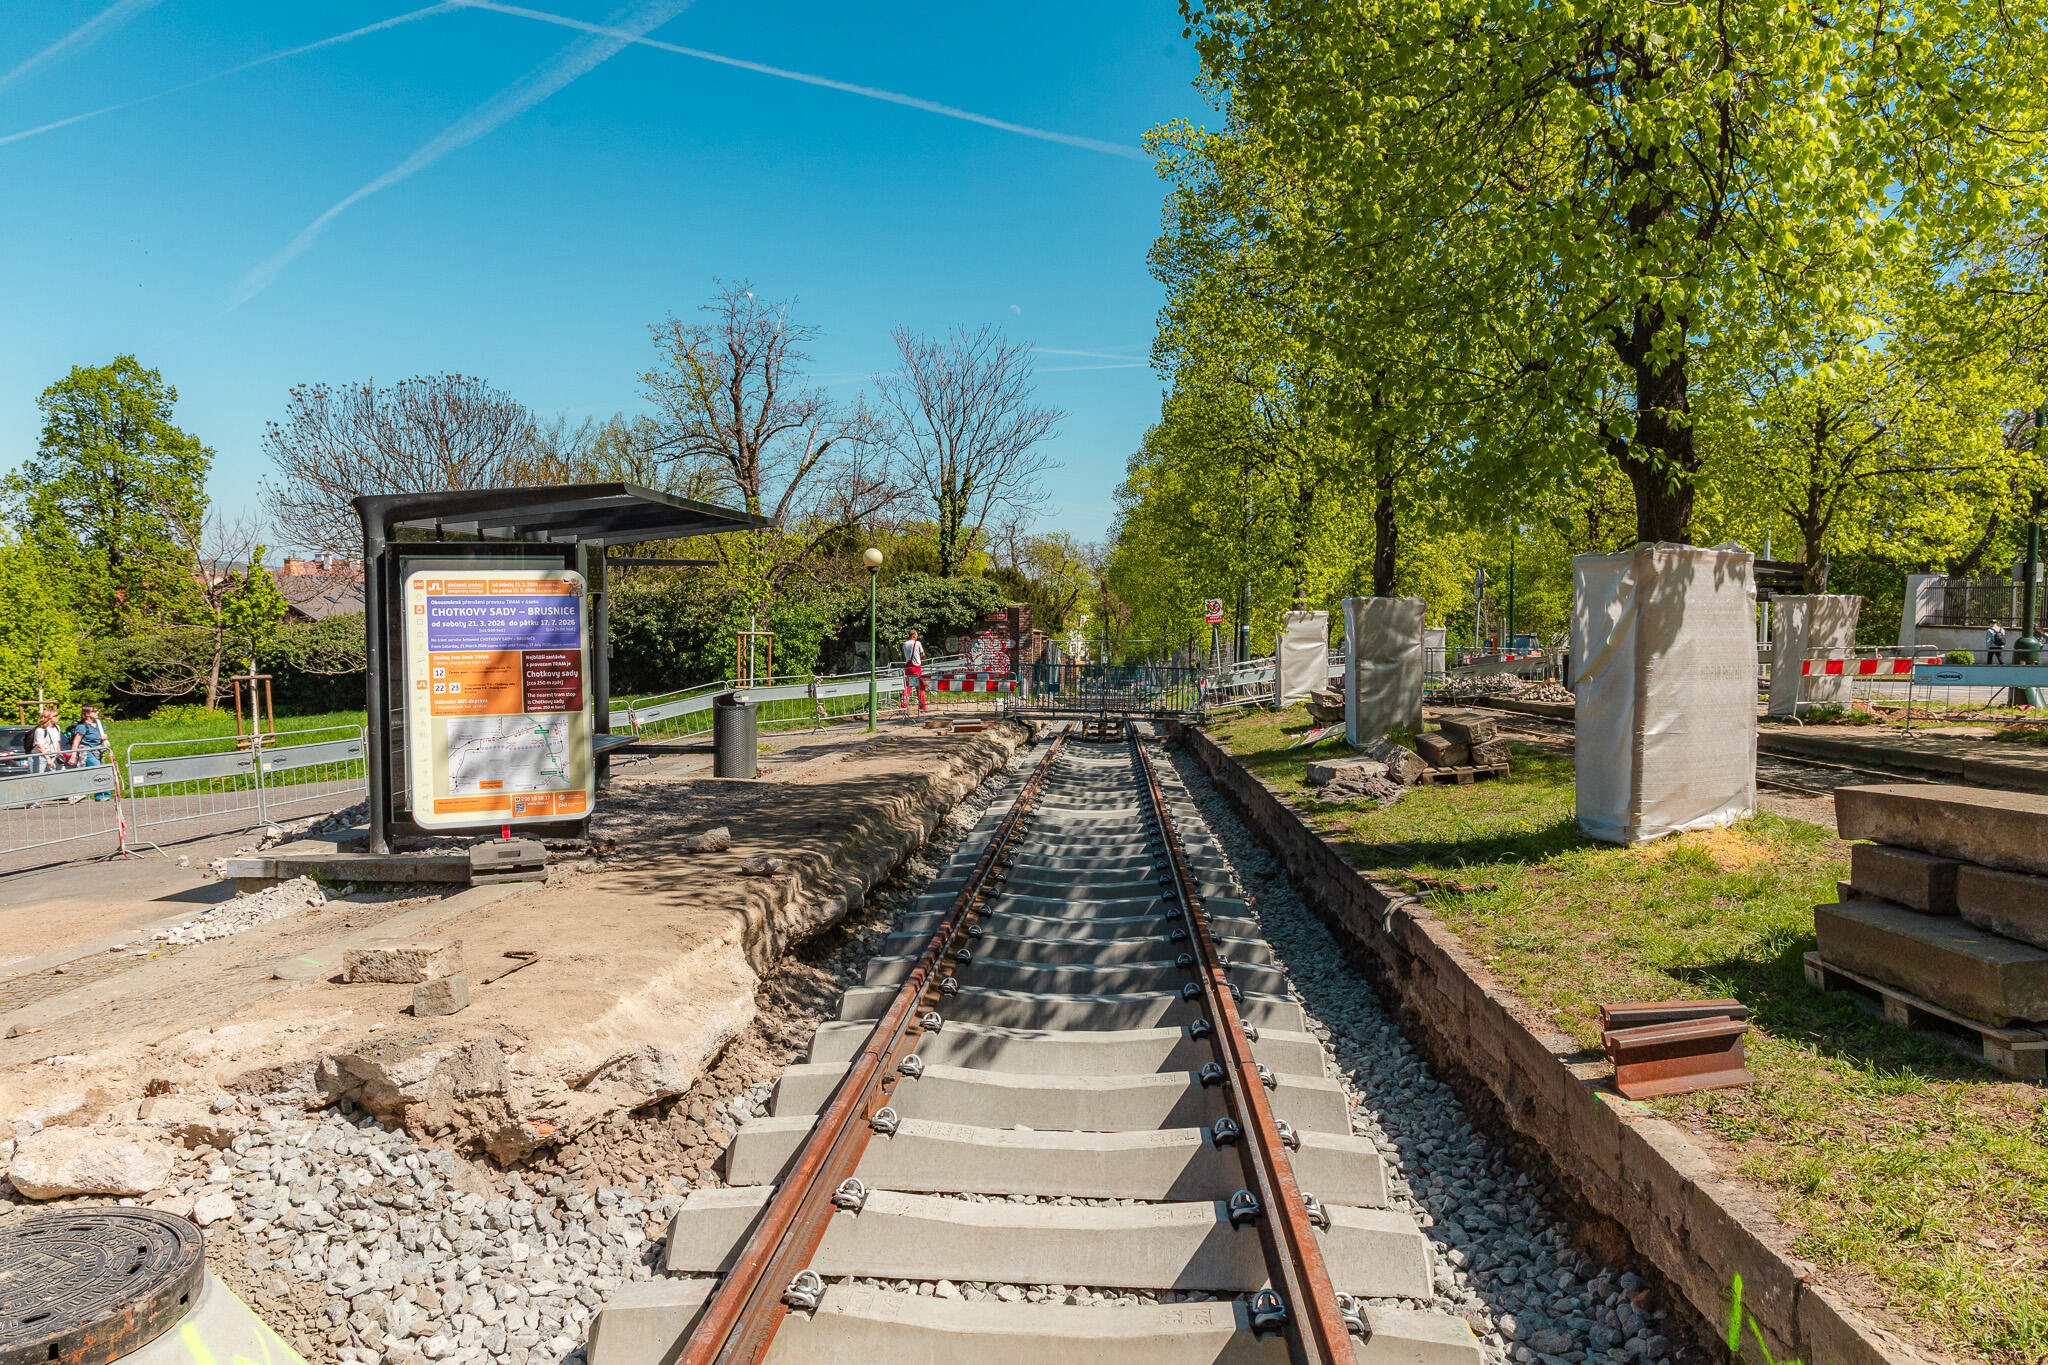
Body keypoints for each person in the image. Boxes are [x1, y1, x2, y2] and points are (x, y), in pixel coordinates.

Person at [66, 705, 111, 801]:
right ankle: (100, 794)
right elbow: (76, 742)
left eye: (97, 711)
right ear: (87, 714)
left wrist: (104, 737)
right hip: (86, 752)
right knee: (99, 769)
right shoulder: (82, 727)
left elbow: (101, 736)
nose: (97, 713)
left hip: (98, 751)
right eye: (94, 711)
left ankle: (100, 795)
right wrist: (73, 756)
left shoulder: (99, 724)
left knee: (97, 771)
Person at [900, 628, 929, 712]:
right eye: (916, 635)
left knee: (907, 687)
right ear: (913, 635)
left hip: (908, 666)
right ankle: (922, 707)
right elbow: (922, 653)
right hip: (916, 667)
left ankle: (903, 706)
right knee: (920, 687)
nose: (917, 636)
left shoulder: (904, 644)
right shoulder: (917, 643)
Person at [29, 709, 61, 774]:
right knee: (39, 776)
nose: (57, 717)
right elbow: (40, 746)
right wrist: (48, 759)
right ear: (49, 717)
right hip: (40, 757)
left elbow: (57, 742)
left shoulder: (57, 727)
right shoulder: (40, 730)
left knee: (55, 776)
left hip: (53, 755)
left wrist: (59, 754)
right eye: (55, 716)